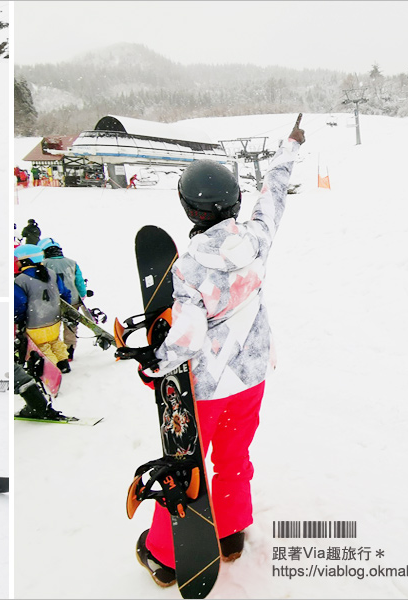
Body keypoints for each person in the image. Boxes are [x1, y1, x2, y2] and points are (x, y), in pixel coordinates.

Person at [121, 118, 306, 585]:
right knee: (234, 455)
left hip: (206, 385)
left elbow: (187, 336)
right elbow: (274, 199)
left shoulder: (187, 268)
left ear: (188, 211)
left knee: (186, 464)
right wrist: (288, 149)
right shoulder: (257, 240)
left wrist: (153, 365)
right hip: (253, 376)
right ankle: (229, 534)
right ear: (235, 201)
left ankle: (165, 556)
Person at [14, 243, 72, 373]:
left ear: (26, 261)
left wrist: (18, 319)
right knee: (55, 342)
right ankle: (63, 363)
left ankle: (52, 369)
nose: (16, 264)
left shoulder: (20, 280)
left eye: (18, 261)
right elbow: (65, 292)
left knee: (42, 347)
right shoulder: (52, 274)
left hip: (35, 323)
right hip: (55, 321)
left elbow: (19, 304)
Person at [39, 237, 89, 361]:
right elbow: (79, 281)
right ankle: (69, 349)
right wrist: (82, 295)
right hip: (72, 300)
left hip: (52, 302)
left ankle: (56, 352)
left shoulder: (43, 264)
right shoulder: (72, 263)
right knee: (70, 326)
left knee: (54, 328)